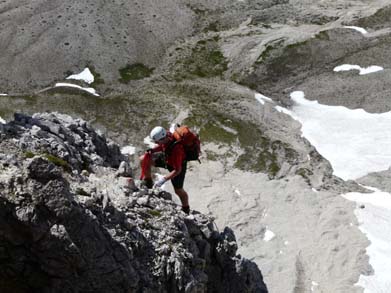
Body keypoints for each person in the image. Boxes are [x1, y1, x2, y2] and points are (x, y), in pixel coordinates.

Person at [140, 126, 190, 214]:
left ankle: (186, 209)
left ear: (162, 138)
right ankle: (148, 183)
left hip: (177, 165)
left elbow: (178, 170)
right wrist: (152, 150)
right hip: (168, 158)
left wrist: (164, 179)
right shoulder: (167, 136)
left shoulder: (177, 149)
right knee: (143, 159)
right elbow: (162, 145)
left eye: (157, 141)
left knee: (178, 190)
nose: (156, 143)